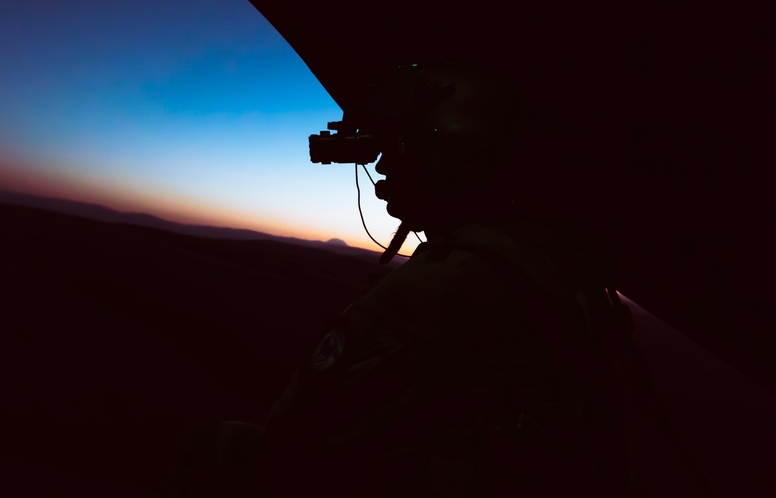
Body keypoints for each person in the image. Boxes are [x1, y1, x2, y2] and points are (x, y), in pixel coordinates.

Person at [161, 61, 641, 497]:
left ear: (450, 155)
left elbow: (303, 428)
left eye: (400, 148)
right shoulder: (543, 255)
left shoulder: (452, 278)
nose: (384, 166)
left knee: (220, 447)